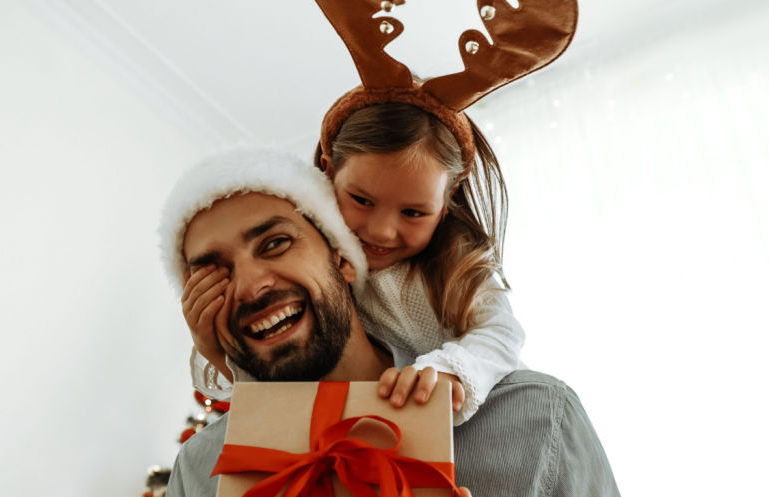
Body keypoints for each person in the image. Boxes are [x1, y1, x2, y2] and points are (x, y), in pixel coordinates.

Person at [142, 145, 702, 497]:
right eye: (211, 274)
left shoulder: (535, 418)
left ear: (342, 255)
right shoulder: (202, 466)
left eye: (276, 243)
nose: (251, 286)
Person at [182, 103, 524, 426]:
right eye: (362, 200)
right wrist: (212, 348)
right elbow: (275, 376)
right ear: (327, 175)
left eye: (413, 213)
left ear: (446, 204)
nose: (381, 231)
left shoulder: (459, 269)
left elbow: (501, 333)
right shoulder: (320, 274)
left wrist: (453, 371)